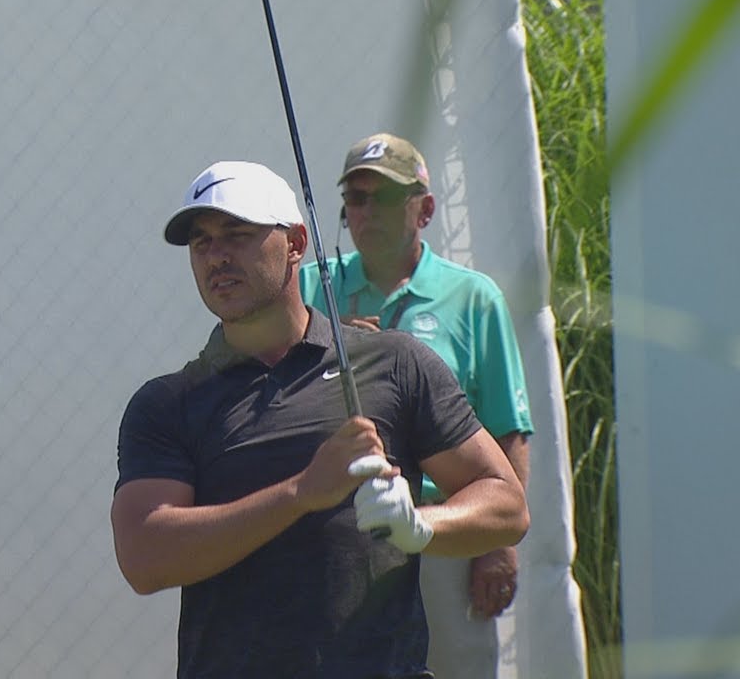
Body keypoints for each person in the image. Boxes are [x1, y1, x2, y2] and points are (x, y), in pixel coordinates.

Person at [110, 160, 529, 677]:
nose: (216, 255)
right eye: (201, 243)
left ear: (296, 243)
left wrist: (419, 524)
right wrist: (301, 493)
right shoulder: (167, 403)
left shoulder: (395, 362)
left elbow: (507, 505)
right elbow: (145, 557)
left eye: (237, 234)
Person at [299, 133, 534, 678]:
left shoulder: (474, 297)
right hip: (336, 534)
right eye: (355, 198)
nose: (365, 211)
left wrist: (497, 545)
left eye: (383, 197)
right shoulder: (311, 289)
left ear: (425, 208)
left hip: (442, 532)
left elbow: (508, 430)